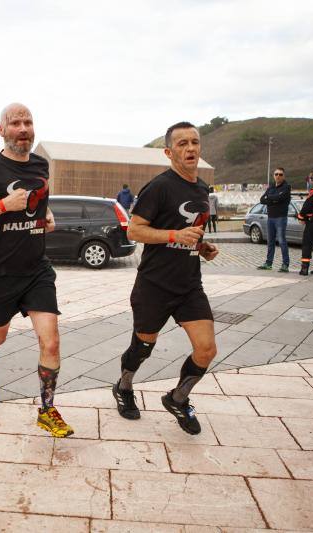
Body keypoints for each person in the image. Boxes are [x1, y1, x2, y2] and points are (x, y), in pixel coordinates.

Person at [0, 103, 73, 438]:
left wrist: (46, 215)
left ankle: (47, 410)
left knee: (51, 342)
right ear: (1, 130)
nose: (23, 129)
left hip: (37, 270)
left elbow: (40, 201)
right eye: (15, 123)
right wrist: (4, 205)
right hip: (0, 273)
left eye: (28, 122)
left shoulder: (40, 165)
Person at [111, 122, 219, 435]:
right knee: (144, 345)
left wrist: (202, 247)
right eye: (182, 144)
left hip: (189, 285)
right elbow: (134, 230)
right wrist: (174, 235)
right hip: (154, 285)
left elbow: (191, 232)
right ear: (169, 152)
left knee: (207, 349)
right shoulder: (159, 187)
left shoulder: (201, 189)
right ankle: (124, 386)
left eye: (195, 142)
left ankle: (178, 398)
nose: (190, 148)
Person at [257, 167, 292, 272]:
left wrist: (270, 198)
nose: (278, 176)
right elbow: (262, 200)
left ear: (284, 176)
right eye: (276, 174)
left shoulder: (286, 187)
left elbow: (280, 198)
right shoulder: (271, 187)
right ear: (273, 175)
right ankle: (268, 263)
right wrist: (274, 199)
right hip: (270, 218)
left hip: (281, 218)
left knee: (281, 241)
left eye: (280, 174)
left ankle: (285, 264)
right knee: (270, 241)